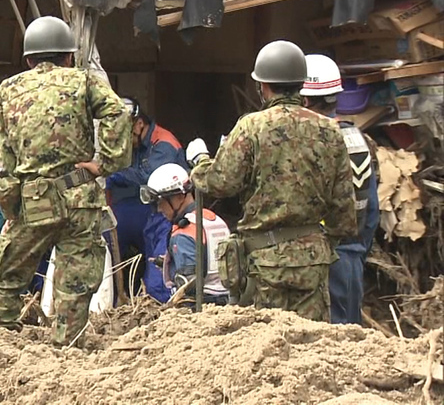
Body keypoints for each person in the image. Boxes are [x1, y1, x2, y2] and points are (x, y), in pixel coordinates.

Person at [0, 16, 132, 347]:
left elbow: (3, 161)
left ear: (28, 59)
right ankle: (68, 348)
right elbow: (117, 113)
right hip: (80, 195)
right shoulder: (83, 80)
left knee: (5, 276)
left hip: (34, 201)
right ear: (68, 56)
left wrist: (10, 210)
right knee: (75, 284)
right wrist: (105, 163)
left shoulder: (8, 90)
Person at [187, 40, 356, 322]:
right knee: (311, 342)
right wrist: (321, 246)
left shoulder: (252, 126)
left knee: (267, 348)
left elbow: (220, 183)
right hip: (312, 261)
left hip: (263, 262)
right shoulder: (330, 131)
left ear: (263, 86)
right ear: (301, 84)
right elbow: (343, 210)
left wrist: (200, 163)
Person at [301, 54, 380, 324]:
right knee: (348, 350)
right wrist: (355, 251)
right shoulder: (360, 140)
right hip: (351, 261)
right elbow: (371, 214)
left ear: (305, 100)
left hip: (316, 264)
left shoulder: (307, 143)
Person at [105, 98, 188, 303]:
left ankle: (156, 303)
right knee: (105, 239)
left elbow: (147, 178)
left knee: (157, 274)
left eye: (126, 134)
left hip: (165, 213)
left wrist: (108, 170)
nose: (123, 141)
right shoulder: (135, 143)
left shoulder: (164, 144)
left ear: (139, 124)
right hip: (137, 209)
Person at [139, 163, 231, 305]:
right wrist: (170, 263)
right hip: (226, 301)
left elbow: (188, 286)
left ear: (178, 197)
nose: (159, 208)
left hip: (200, 307)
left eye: (161, 201)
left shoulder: (183, 233)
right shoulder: (213, 219)